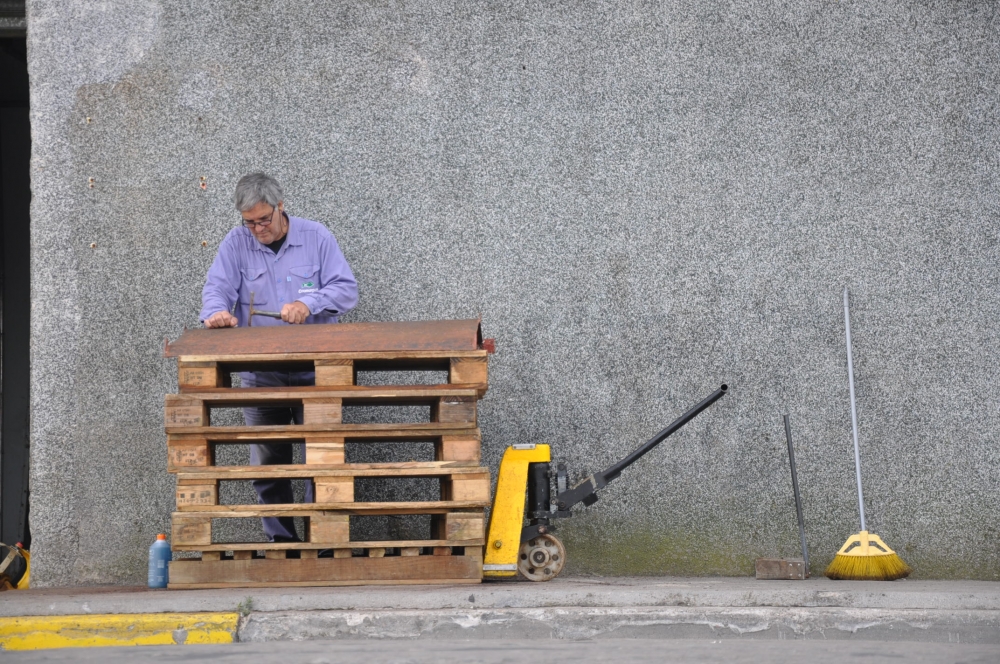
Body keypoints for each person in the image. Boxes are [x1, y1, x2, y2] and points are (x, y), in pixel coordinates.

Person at [200, 172, 358, 542]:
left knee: (320, 461)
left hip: (315, 371)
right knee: (268, 464)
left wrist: (309, 302)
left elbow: (346, 289)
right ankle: (282, 545)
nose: (257, 229)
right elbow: (216, 290)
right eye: (249, 222)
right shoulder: (235, 243)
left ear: (281, 206)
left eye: (264, 220)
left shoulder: (316, 237)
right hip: (260, 372)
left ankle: (323, 545)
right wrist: (217, 314)